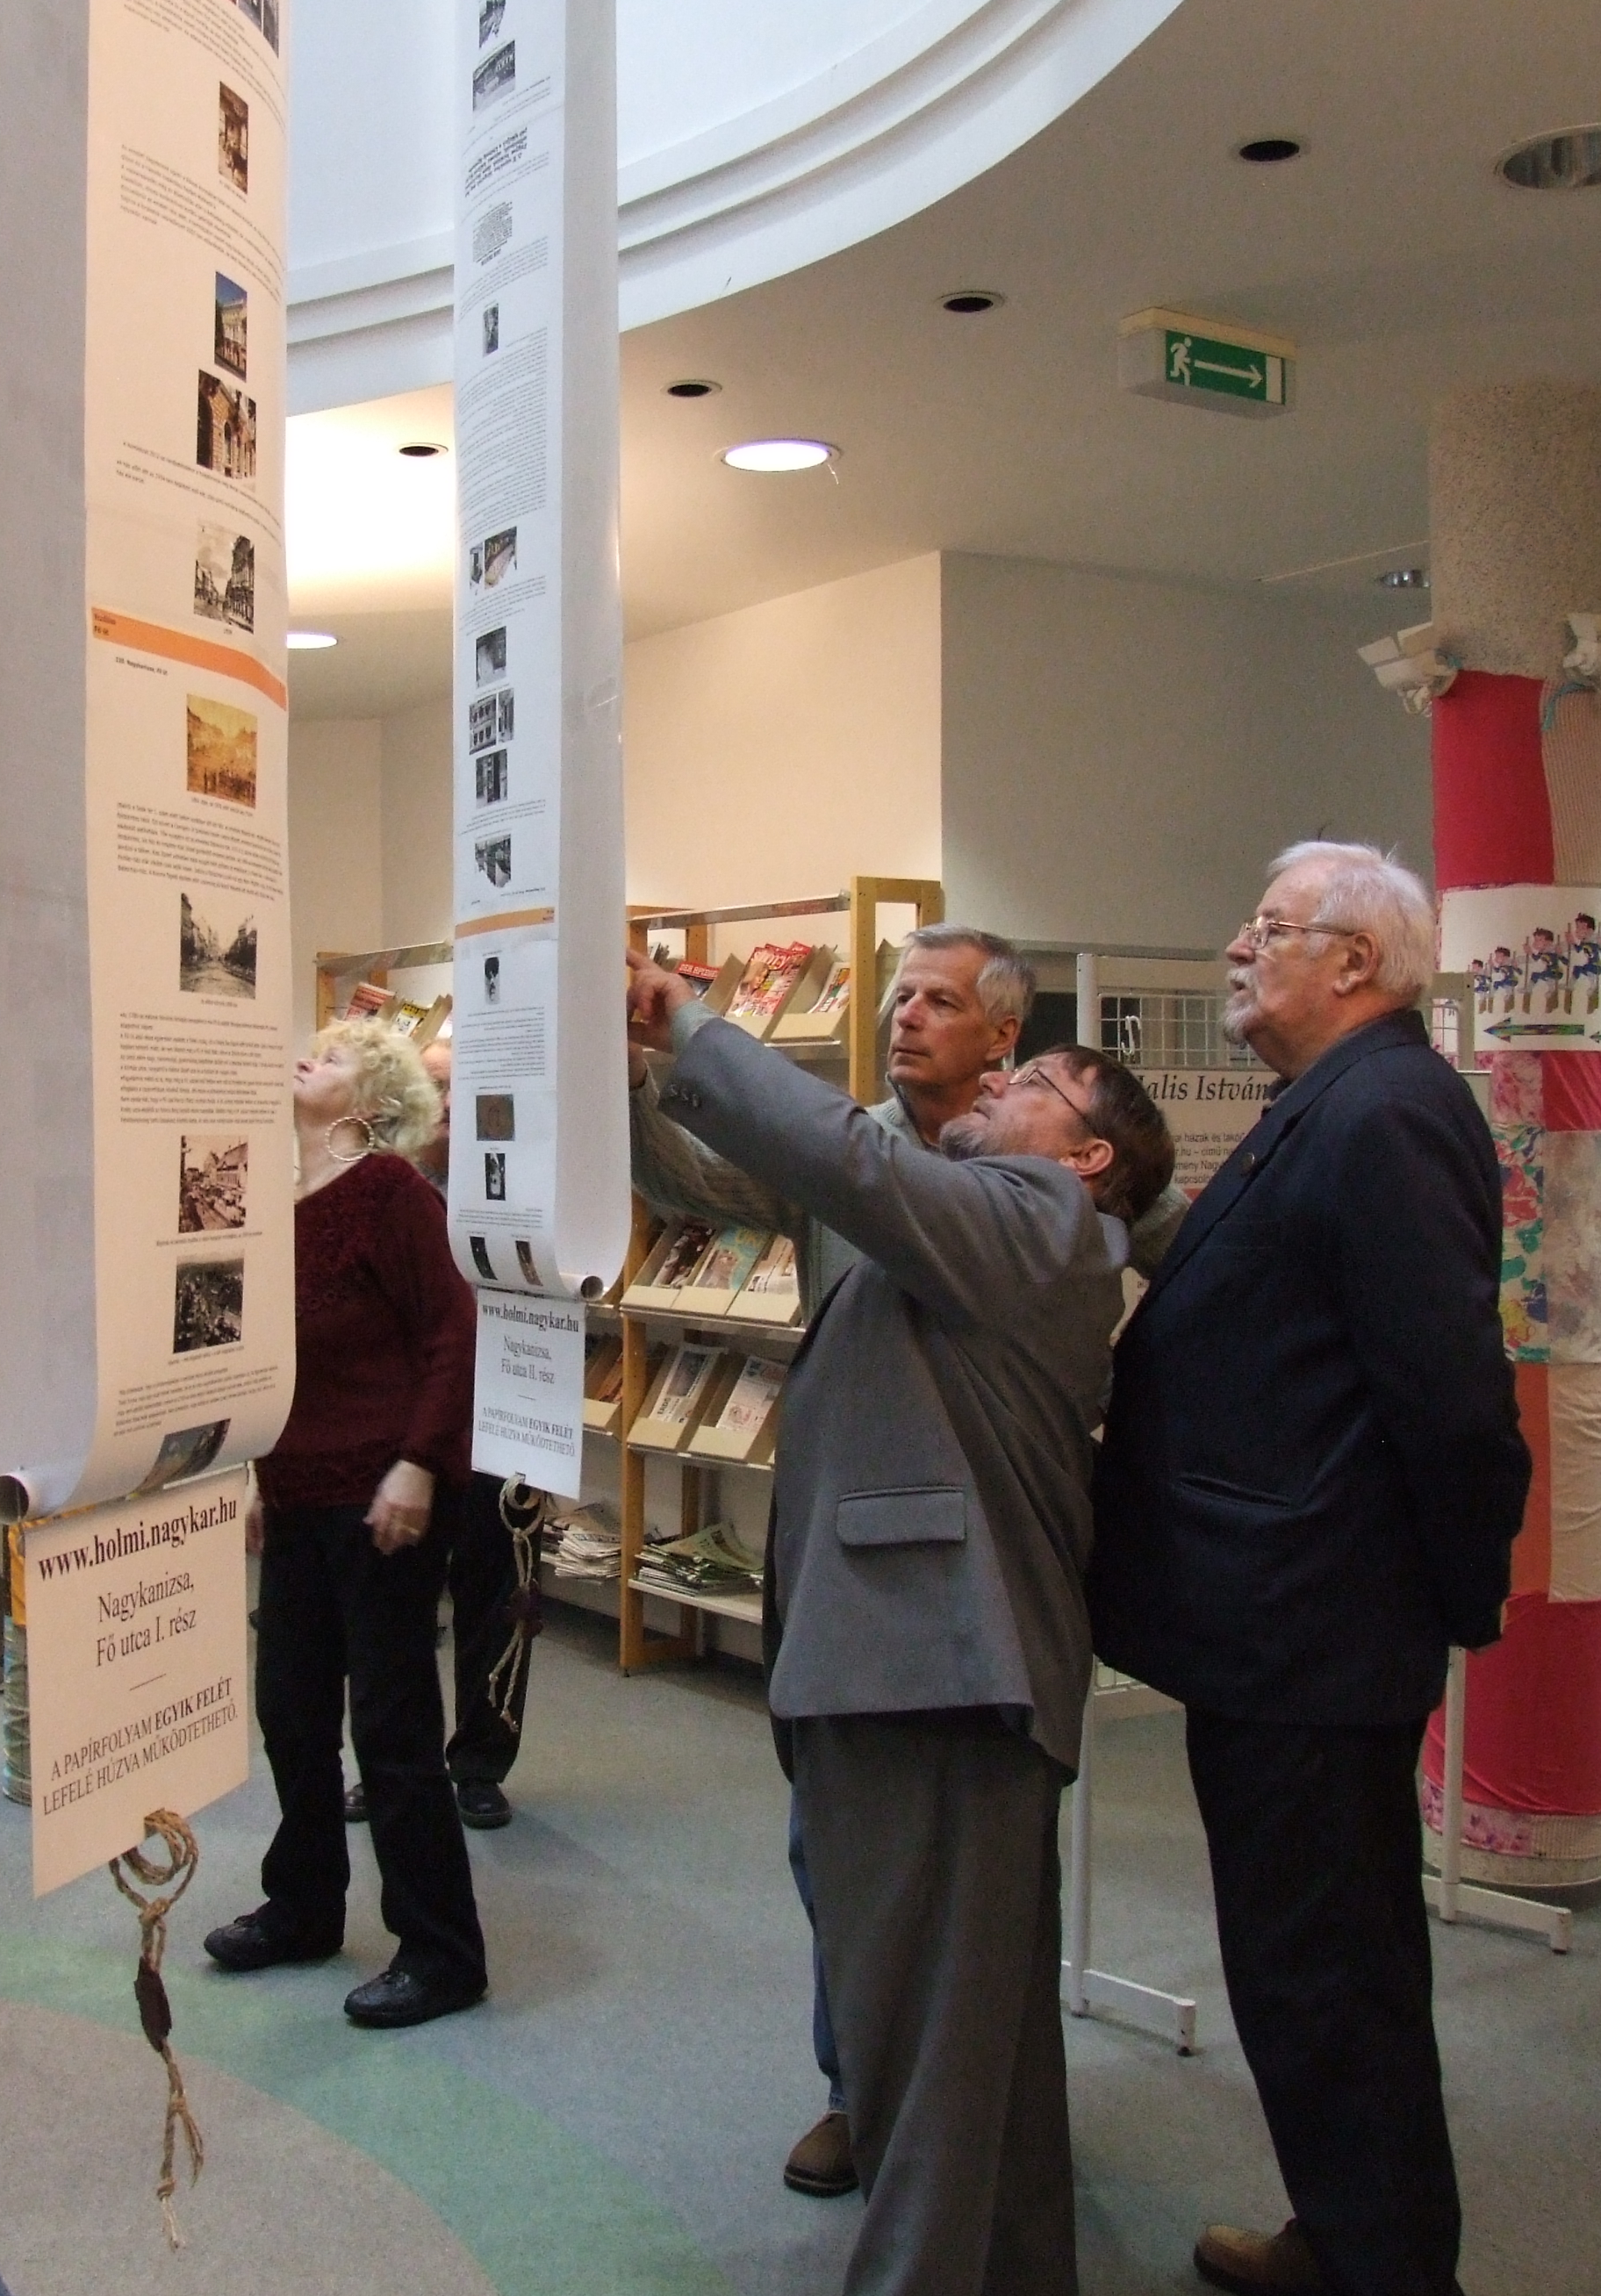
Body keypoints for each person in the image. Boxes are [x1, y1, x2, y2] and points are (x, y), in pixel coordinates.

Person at [624, 944, 1174, 2296]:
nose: (988, 1085)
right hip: (914, 1662)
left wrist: (687, 1020)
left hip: (937, 1667)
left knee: (916, 2045)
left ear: (1086, 1157)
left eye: (1029, 1082)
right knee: (973, 2028)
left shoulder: (1038, 1220)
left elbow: (856, 1167)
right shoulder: (995, 1212)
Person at [1091, 843, 1532, 2296]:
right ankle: (1344, 2237)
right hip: (1280, 1623)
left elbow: (1451, 1398)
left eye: (1270, 929)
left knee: (1331, 1976)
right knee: (1304, 1966)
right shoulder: (1331, 1103)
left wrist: (1447, 1596)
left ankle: (1384, 2267)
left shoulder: (1385, 1112)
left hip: (1315, 1631)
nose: (1238, 946)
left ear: (1355, 963)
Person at [628, 922, 1031, 2197]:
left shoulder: (1021, 1172)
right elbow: (705, 1188)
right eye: (899, 995)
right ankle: (856, 2086)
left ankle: (954, 2103)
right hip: (837, 1544)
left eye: (940, 1001)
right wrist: (637, 1079)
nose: (905, 1015)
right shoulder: (847, 1144)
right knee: (837, 1844)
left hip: (973, 1559)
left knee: (963, 1863)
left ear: (1004, 1034)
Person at [205, 1018, 491, 2028]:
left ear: (370, 1103)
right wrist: (256, 1474)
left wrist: (418, 1463)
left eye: (331, 1057)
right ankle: (303, 1907)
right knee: (288, 1710)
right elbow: (273, 1364)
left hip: (382, 1497)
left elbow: (452, 1334)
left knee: (390, 1726)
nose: (305, 1057)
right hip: (295, 1493)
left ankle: (441, 1952)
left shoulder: (391, 1193)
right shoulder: (274, 1201)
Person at [341, 1033, 530, 1831]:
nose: (451, 1104)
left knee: (499, 1593)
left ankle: (480, 1763)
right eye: (438, 1086)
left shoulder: (519, 1181)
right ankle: (391, 1761)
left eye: (466, 1088)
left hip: (503, 1415)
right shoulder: (376, 1189)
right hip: (404, 1423)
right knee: (393, 1605)